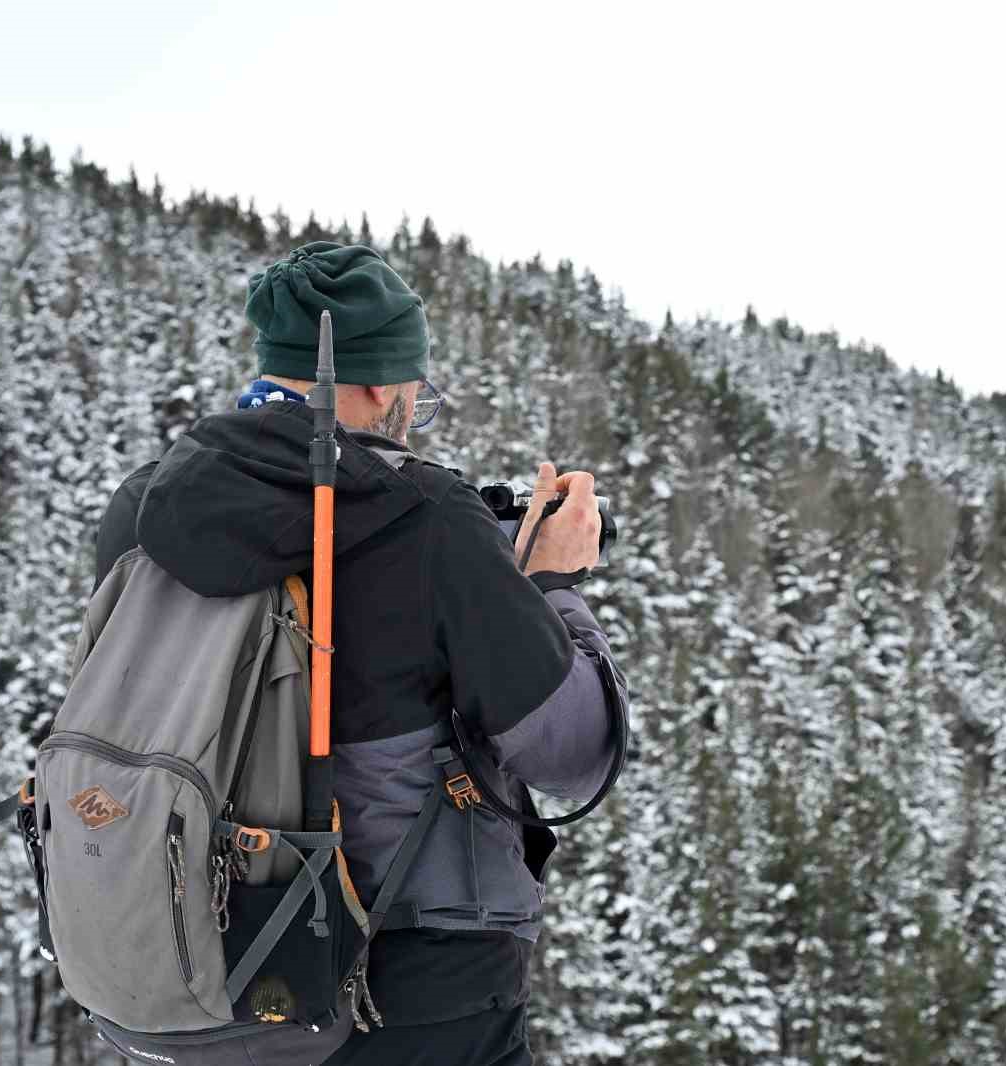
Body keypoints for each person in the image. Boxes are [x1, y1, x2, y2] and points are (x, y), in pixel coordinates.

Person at [90, 242, 627, 1066]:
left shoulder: (144, 507)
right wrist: (550, 585)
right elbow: (574, 754)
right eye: (421, 394)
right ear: (379, 384)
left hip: (194, 971)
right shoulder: (424, 515)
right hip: (406, 991)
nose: (417, 411)